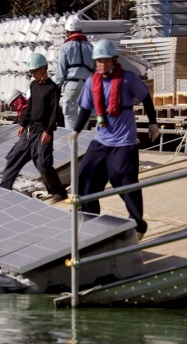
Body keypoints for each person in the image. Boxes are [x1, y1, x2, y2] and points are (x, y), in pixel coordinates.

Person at [70, 39, 160, 241]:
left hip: (124, 142)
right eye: (98, 61)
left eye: (106, 60)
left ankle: (138, 224)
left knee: (124, 181)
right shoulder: (91, 82)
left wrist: (153, 123)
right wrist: (76, 131)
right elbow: (85, 109)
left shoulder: (128, 79)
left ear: (114, 60)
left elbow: (146, 97)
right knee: (86, 177)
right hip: (101, 140)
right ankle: (90, 219)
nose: (102, 64)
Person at [0, 54, 68, 201]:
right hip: (29, 131)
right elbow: (29, 108)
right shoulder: (33, 85)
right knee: (14, 157)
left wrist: (48, 131)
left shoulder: (52, 89)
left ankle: (58, 192)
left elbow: (54, 112)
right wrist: (23, 124)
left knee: (43, 164)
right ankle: (4, 188)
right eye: (31, 72)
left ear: (44, 69)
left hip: (43, 132)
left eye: (35, 71)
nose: (33, 74)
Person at [56, 16, 94, 130]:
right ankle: (82, 142)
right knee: (84, 116)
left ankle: (71, 143)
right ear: (80, 31)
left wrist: (57, 87)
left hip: (71, 85)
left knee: (69, 117)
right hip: (87, 85)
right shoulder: (91, 47)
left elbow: (60, 69)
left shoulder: (65, 47)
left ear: (68, 32)